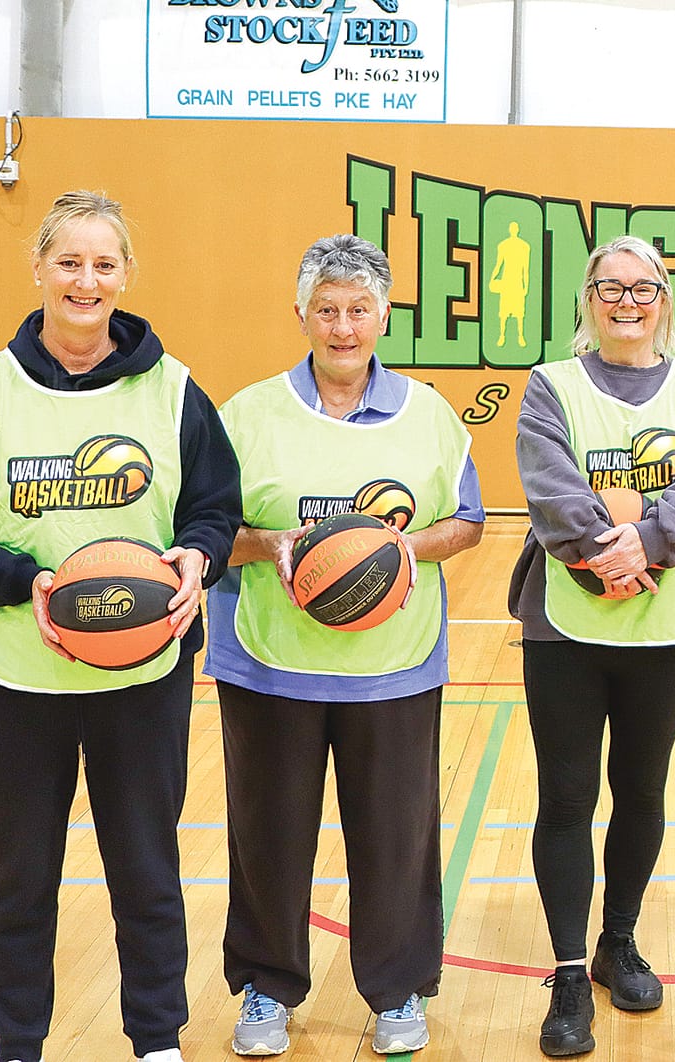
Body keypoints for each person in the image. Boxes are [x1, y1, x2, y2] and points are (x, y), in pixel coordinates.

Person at [0, 190, 242, 1062]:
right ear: (40, 268)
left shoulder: (174, 392)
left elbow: (214, 507)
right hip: (14, 681)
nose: (86, 280)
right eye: (69, 261)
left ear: (125, 275)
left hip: (141, 677)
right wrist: (26, 581)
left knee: (147, 874)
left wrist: (202, 554)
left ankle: (156, 1039)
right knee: (21, 883)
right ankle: (20, 1043)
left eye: (104, 263)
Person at [205, 235, 484, 1056]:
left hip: (392, 667)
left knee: (396, 836)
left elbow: (466, 524)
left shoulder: (428, 415)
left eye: (359, 309)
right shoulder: (248, 413)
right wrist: (274, 544)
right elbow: (209, 532)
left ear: (384, 315)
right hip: (268, 665)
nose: (343, 326)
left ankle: (397, 991)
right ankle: (265, 989)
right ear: (301, 315)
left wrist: (398, 552)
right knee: (268, 834)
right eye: (326, 310)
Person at [509, 235, 675, 1057]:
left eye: (644, 289)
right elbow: (549, 481)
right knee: (566, 799)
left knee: (641, 792)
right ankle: (570, 972)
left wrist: (648, 541)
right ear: (589, 299)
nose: (627, 302)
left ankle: (618, 942)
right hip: (564, 623)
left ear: (664, 301)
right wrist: (615, 547)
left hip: (665, 621)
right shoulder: (550, 385)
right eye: (611, 288)